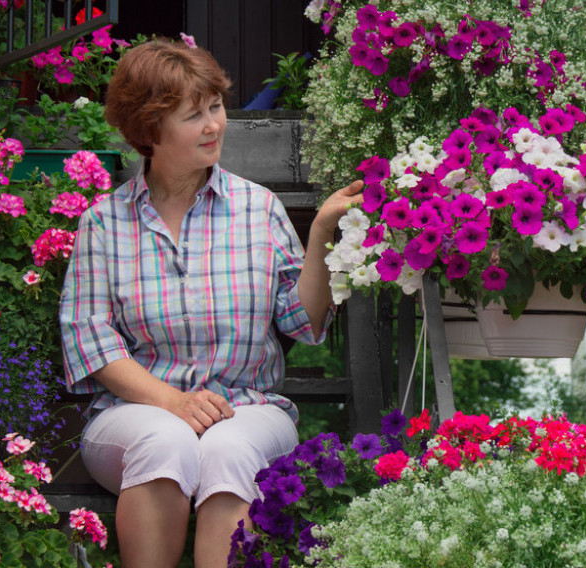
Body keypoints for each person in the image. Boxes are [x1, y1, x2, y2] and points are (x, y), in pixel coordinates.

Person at [59, 38, 363, 568]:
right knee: (164, 441)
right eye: (193, 115)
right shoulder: (103, 223)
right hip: (135, 414)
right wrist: (173, 403)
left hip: (248, 408)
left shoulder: (258, 209)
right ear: (150, 130)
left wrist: (318, 234)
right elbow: (92, 344)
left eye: (216, 107)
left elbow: (305, 324)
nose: (214, 125)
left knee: (226, 449)